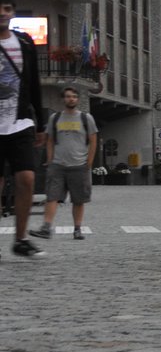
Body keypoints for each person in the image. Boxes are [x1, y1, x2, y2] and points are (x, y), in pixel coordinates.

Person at [0, 0, 46, 259]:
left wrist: (39, 123)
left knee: (27, 178)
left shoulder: (25, 43)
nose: (2, 13)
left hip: (20, 121)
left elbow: (34, 84)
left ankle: (21, 239)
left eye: (7, 9)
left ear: (13, 13)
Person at [33, 85, 97, 241]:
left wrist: (89, 162)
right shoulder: (54, 118)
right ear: (63, 99)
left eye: (74, 96)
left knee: (78, 199)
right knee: (52, 197)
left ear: (77, 99)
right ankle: (46, 228)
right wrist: (49, 159)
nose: (71, 99)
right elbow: (49, 140)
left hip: (79, 165)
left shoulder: (86, 118)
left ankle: (77, 229)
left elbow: (93, 140)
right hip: (58, 165)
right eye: (68, 96)